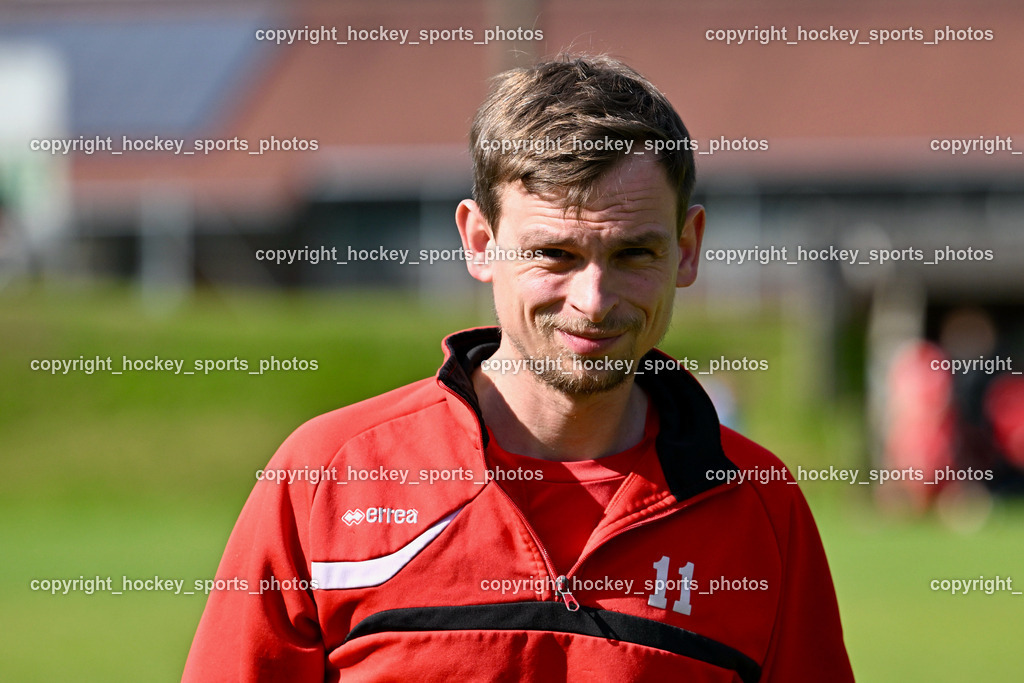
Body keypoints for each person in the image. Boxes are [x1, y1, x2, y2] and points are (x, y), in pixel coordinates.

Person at [183, 54, 854, 682]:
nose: (593, 300)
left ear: (686, 249)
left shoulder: (760, 508)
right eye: (555, 255)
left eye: (633, 254)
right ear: (480, 242)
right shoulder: (328, 476)